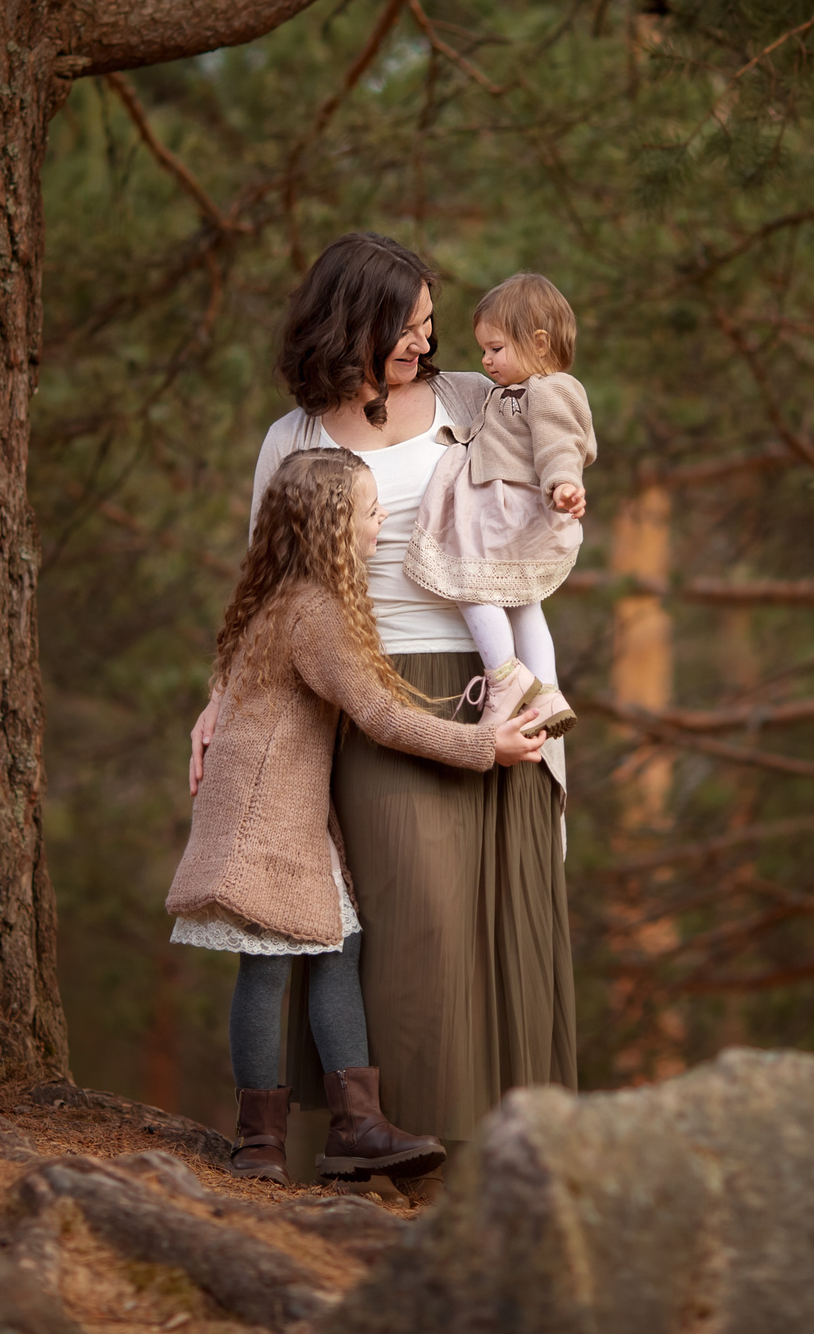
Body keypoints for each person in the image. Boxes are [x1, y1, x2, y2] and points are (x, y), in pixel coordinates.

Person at [188, 232, 578, 1196]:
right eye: (404, 327)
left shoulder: (467, 402)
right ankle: (379, 1151)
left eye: (431, 326)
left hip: (490, 677)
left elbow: (556, 439)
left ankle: (497, 1166)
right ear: (348, 320)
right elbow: (267, 580)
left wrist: (563, 493)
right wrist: (217, 702)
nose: (422, 343)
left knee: (490, 926)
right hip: (363, 691)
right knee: (398, 930)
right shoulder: (295, 437)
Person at [166, 446, 548, 1185]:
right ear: (336, 526)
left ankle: (356, 1125)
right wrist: (482, 745)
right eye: (373, 511)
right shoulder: (313, 611)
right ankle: (259, 1140)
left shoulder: (282, 599)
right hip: (263, 819)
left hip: (286, 815)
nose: (382, 523)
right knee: (270, 968)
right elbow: (379, 715)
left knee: (334, 951)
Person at [405, 272, 595, 739]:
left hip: (509, 508)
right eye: (483, 350)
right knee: (523, 602)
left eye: (495, 349)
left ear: (540, 343)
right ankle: (546, 691)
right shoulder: (512, 392)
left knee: (470, 583)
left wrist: (564, 483)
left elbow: (559, 446)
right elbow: (497, 437)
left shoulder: (548, 390)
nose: (485, 360)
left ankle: (506, 676)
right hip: (509, 507)